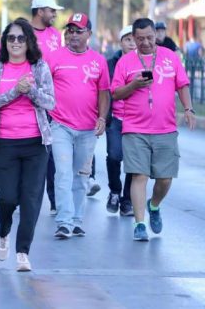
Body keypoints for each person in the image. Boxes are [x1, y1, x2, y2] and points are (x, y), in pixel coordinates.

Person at [110, 17, 195, 241]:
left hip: (165, 129)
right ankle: (139, 224)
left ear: (155, 35)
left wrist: (188, 109)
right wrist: (134, 85)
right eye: (140, 39)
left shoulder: (170, 57)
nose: (146, 42)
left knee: (165, 178)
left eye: (149, 37)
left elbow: (182, 84)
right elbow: (116, 93)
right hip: (135, 128)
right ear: (133, 38)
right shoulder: (125, 62)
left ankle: (154, 206)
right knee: (140, 175)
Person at [0, 18, 55, 272]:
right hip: (5, 142)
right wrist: (15, 91)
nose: (15, 43)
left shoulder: (39, 67)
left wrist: (30, 91)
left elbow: (50, 102)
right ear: (4, 42)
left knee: (31, 198)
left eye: (20, 38)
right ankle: (3, 230)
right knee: (7, 197)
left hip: (36, 143)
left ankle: (23, 251)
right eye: (11, 38)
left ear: (29, 42)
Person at [48, 14, 110, 238]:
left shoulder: (99, 61)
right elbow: (43, 87)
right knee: (63, 173)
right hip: (61, 125)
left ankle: (76, 220)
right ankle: (64, 221)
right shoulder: (54, 58)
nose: (73, 35)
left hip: (88, 129)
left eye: (78, 31)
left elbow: (104, 92)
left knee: (81, 176)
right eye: (70, 30)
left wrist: (102, 118)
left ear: (89, 35)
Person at [30, 0, 63, 215]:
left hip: (52, 100)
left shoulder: (56, 35)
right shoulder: (23, 34)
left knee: (51, 151)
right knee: (33, 150)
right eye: (51, 10)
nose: (54, 14)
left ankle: (54, 200)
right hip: (29, 98)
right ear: (40, 11)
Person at [105, 25, 136, 216]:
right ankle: (115, 191)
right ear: (121, 42)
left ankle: (127, 201)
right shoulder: (111, 63)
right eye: (128, 40)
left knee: (134, 162)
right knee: (115, 156)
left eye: (135, 39)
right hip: (116, 118)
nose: (132, 44)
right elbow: (105, 91)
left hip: (137, 120)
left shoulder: (146, 63)